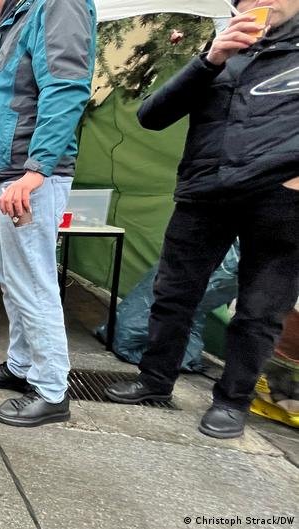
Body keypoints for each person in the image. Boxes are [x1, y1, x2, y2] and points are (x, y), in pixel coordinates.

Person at [105, 0, 299, 439]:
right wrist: (209, 59)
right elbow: (151, 116)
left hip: (279, 198)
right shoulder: (220, 52)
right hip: (205, 191)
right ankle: (154, 381)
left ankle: (232, 401)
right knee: (173, 293)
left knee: (260, 309)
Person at [0, 0, 96, 427]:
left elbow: (66, 87)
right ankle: (21, 365)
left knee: (33, 281)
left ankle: (52, 388)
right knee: (13, 280)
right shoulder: (17, 20)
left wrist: (36, 168)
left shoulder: (58, 4)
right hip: (9, 175)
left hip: (29, 177)